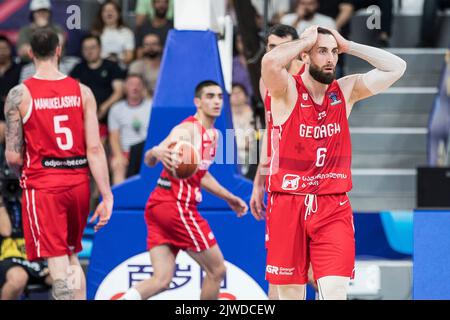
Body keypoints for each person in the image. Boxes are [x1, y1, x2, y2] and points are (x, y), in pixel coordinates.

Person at [260, 25, 406, 299]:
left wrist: (349, 44)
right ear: (304, 55)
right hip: (288, 201)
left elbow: (396, 67)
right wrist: (305, 41)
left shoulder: (345, 90)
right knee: (290, 294)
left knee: (335, 290)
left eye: (334, 52)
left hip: (333, 203)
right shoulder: (286, 90)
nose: (330, 58)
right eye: (322, 51)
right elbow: (270, 61)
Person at [4, 28, 114, 300]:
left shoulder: (19, 95)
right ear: (58, 51)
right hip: (78, 184)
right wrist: (107, 194)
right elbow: (95, 148)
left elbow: (13, 156)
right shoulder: (83, 91)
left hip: (44, 185)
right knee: (71, 254)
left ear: (29, 53)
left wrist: (23, 175)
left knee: (56, 260)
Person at [120, 80, 248, 300]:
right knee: (217, 271)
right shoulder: (186, 130)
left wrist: (229, 197)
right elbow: (152, 158)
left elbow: (201, 173)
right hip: (176, 207)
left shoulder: (215, 135)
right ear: (197, 102)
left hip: (158, 207)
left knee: (161, 280)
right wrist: (156, 151)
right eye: (210, 96)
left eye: (219, 96)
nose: (216, 101)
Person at [251, 24, 307, 300]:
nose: (272, 55)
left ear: (297, 49)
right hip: (280, 185)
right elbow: (271, 131)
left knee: (316, 271)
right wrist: (258, 180)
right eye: (270, 48)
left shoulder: (314, 76)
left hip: (316, 183)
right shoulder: (266, 81)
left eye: (280, 48)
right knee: (279, 269)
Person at [0, 169, 52, 300]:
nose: (13, 187)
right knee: (18, 278)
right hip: (8, 256)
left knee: (65, 277)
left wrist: (26, 198)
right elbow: (5, 230)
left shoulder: (30, 198)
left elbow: (41, 227)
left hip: (35, 256)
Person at [70, 34, 125, 143]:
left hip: (109, 112)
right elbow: (73, 92)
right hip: (85, 114)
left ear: (100, 48)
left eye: (93, 48)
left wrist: (104, 107)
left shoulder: (112, 66)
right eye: (86, 48)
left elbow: (118, 92)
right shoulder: (78, 68)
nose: (89, 51)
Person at [108, 74, 152, 185]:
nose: (135, 87)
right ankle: (120, 201)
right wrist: (118, 155)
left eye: (138, 84)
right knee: (117, 164)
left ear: (143, 88)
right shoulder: (116, 109)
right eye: (131, 84)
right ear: (125, 87)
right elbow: (114, 136)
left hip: (147, 151)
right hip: (126, 151)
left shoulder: (151, 106)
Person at [91, 0, 135, 66]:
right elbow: (91, 55)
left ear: (119, 14)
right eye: (105, 11)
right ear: (101, 14)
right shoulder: (95, 32)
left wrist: (116, 60)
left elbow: (129, 56)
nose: (109, 13)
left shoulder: (127, 32)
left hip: (120, 66)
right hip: (99, 66)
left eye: (112, 10)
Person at [0, 36, 22, 144]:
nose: (2, 52)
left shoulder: (19, 68)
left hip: (15, 115)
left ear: (10, 49)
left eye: (4, 48)